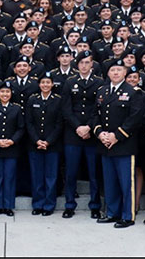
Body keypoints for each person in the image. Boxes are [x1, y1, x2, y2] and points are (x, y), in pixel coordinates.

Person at [91, 62, 145, 229]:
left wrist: (116, 136)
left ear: (125, 73)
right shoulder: (102, 91)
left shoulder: (134, 92)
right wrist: (100, 133)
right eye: (112, 70)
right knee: (110, 181)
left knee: (126, 182)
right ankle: (111, 213)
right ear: (108, 73)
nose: (115, 73)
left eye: (119, 70)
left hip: (124, 144)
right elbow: (95, 115)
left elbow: (135, 118)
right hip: (106, 144)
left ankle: (128, 215)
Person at [60, 51, 103, 219]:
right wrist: (78, 127)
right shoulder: (70, 82)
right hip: (73, 133)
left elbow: (99, 108)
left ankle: (95, 206)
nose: (84, 65)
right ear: (76, 64)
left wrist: (88, 127)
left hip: (91, 134)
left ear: (92, 64)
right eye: (81, 63)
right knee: (71, 172)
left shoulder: (99, 82)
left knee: (94, 173)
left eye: (87, 62)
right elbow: (66, 108)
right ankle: (69, 204)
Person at [25, 72, 64, 216]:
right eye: (43, 83)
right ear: (39, 84)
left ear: (52, 84)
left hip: (52, 145)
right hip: (34, 144)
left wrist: (48, 141)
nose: (45, 85)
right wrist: (37, 140)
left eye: (48, 82)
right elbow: (28, 122)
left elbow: (59, 124)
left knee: (51, 176)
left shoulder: (58, 100)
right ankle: (38, 204)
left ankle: (49, 205)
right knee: (37, 176)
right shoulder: (32, 99)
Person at [0, 82, 24, 217]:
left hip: (11, 148)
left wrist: (12, 140)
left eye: (7, 92)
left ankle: (8, 206)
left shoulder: (17, 108)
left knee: (9, 177)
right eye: (2, 92)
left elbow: (21, 128)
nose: (5, 94)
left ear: (11, 94)